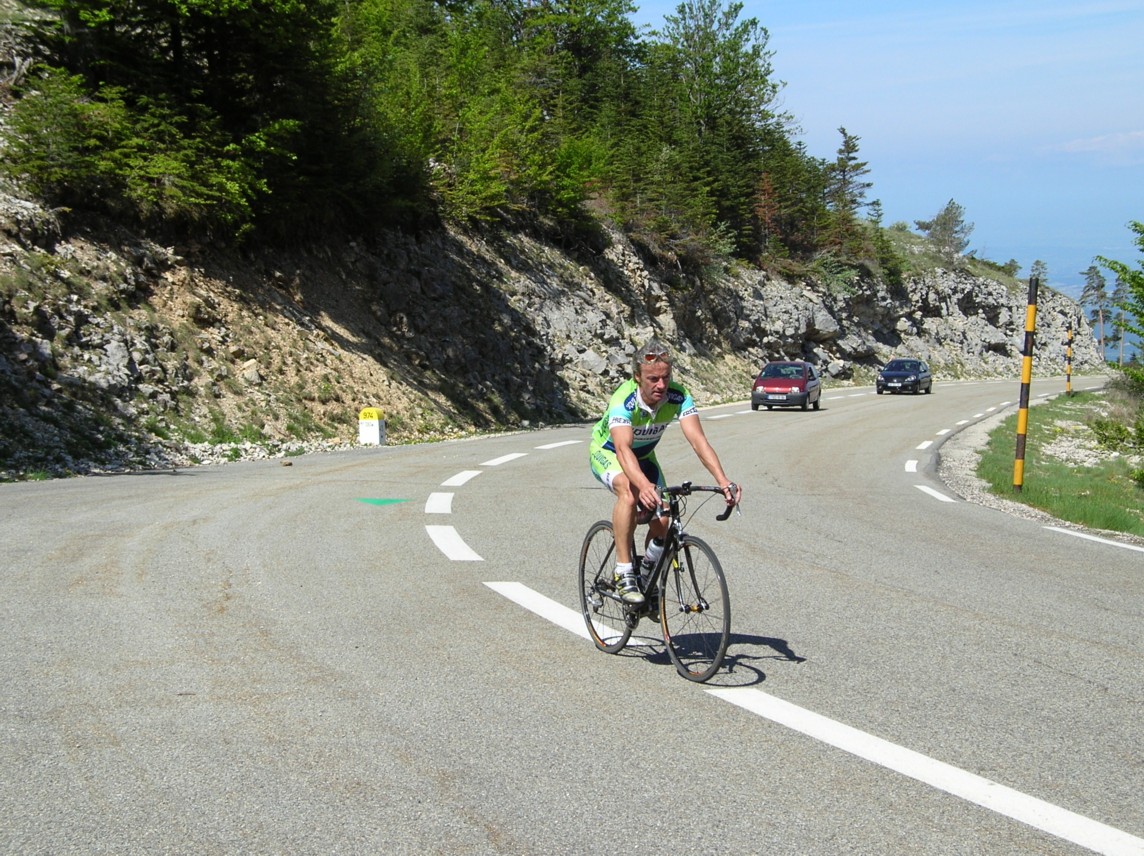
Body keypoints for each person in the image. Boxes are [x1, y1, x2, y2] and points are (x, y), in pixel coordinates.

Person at [588, 339, 741, 604]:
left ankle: (646, 575)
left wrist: (723, 480)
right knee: (629, 492)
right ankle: (623, 571)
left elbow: (699, 441)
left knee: (664, 517)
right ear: (637, 377)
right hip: (609, 453)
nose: (661, 385)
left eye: (666, 377)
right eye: (653, 379)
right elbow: (623, 449)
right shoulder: (624, 400)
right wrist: (643, 486)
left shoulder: (679, 396)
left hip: (644, 457)